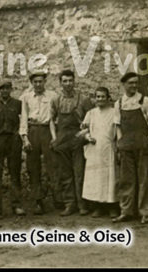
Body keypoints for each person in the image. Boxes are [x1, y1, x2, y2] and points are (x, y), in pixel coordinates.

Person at [112, 72, 148, 224]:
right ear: (123, 84)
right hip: (126, 146)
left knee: (145, 178)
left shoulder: (145, 101)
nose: (134, 85)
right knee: (126, 180)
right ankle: (126, 211)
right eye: (130, 83)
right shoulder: (118, 103)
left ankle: (145, 212)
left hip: (143, 145)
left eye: (136, 83)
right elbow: (118, 126)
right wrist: (120, 143)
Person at [50, 69, 94, 216]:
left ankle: (82, 204)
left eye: (70, 80)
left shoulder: (83, 99)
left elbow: (92, 119)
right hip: (62, 140)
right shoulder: (56, 100)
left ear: (74, 81)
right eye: (65, 81)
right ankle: (70, 204)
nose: (68, 84)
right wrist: (54, 138)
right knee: (65, 174)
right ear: (60, 83)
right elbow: (51, 120)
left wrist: (82, 134)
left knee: (79, 172)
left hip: (78, 140)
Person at [19, 72, 59, 215]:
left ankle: (56, 198)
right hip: (33, 131)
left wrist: (55, 136)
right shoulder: (26, 97)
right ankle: (38, 201)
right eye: (35, 82)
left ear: (45, 82)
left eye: (40, 81)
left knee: (52, 164)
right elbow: (23, 117)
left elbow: (57, 116)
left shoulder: (53, 96)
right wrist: (25, 138)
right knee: (33, 167)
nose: (38, 84)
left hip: (47, 130)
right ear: (31, 82)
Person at [80, 86, 119, 218]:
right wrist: (87, 137)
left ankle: (112, 207)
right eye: (98, 97)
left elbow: (118, 130)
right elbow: (84, 130)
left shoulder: (114, 112)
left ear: (108, 98)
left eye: (103, 96)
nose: (100, 99)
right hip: (94, 148)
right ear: (95, 98)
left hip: (108, 148)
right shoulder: (91, 113)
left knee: (110, 177)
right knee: (96, 178)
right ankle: (98, 207)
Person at [0, 80, 26, 216]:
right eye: (2, 89)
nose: (5, 91)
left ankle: (16, 205)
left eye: (7, 88)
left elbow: (23, 120)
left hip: (13, 139)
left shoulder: (18, 104)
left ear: (11, 89)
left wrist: (19, 136)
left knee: (14, 171)